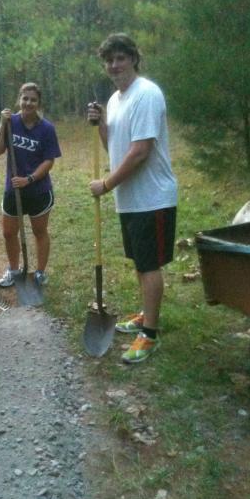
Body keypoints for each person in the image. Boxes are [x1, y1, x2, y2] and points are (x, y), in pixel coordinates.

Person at [88, 33, 178, 364]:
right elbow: (116, 146)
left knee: (149, 264)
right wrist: (99, 125)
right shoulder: (115, 100)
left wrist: (107, 184)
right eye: (109, 60)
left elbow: (140, 152)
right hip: (130, 198)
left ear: (134, 59)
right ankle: (146, 314)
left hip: (152, 197)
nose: (114, 65)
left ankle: (149, 335)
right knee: (141, 262)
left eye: (120, 58)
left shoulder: (147, 94)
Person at [0, 82, 61, 288]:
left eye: (33, 100)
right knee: (9, 232)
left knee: (40, 232)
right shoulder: (10, 122)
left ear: (38, 103)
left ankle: (39, 272)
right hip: (13, 190)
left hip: (38, 190)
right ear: (19, 100)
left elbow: (49, 161)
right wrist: (3, 124)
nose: (28, 103)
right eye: (25, 98)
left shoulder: (46, 128)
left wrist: (29, 179)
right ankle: (13, 270)